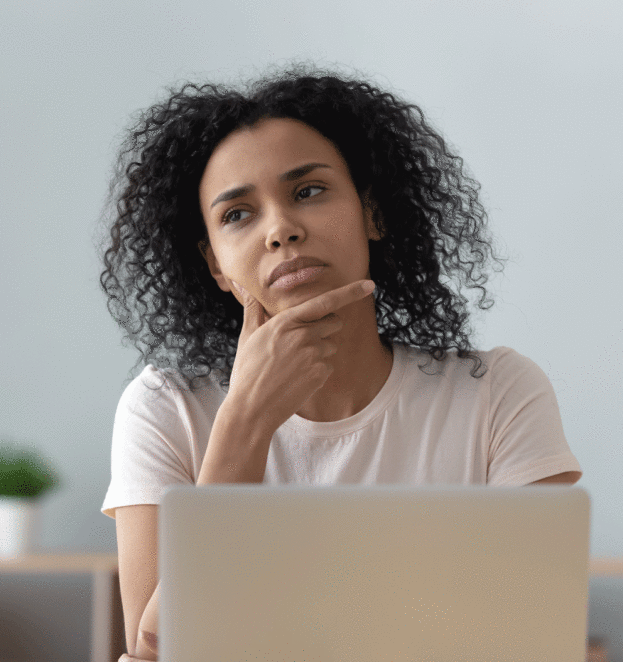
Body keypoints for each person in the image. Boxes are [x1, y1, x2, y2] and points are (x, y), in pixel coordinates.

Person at [96, 63, 582, 661]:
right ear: (216, 266)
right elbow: (157, 646)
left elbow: (534, 640)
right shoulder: (167, 408)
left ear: (372, 214)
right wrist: (244, 423)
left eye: (308, 192)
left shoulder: (497, 394)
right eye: (238, 215)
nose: (281, 230)